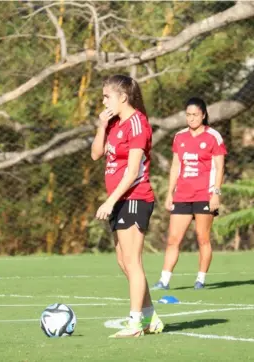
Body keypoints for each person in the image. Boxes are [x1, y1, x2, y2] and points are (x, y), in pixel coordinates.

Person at [91, 74, 164, 338]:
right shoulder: (114, 124)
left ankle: (135, 324)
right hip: (120, 199)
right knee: (124, 261)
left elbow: (133, 172)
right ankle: (150, 317)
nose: (103, 101)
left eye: (107, 96)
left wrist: (109, 201)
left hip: (135, 197)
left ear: (122, 97)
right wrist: (101, 125)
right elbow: (96, 154)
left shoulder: (137, 123)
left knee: (133, 261)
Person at [152, 97, 227, 290]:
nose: (191, 118)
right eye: (188, 115)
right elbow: (176, 165)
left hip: (205, 195)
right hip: (182, 196)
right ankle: (164, 281)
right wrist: (170, 193)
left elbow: (219, 168)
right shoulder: (180, 137)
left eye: (195, 115)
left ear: (203, 115)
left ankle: (200, 280)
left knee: (202, 238)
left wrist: (216, 194)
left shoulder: (213, 137)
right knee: (173, 239)